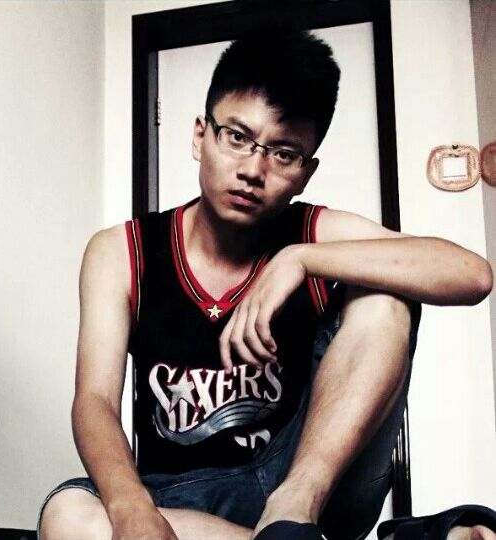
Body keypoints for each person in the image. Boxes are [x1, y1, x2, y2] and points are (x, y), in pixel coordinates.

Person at [37, 31, 494, 540]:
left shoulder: (311, 232)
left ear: (305, 173)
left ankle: (291, 514)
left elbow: (472, 275)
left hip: (308, 489)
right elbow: (95, 400)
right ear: (200, 136)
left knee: (384, 295)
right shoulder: (122, 252)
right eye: (237, 137)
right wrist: (129, 508)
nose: (253, 170)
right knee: (68, 516)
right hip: (177, 497)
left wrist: (301, 259)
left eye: (283, 153)